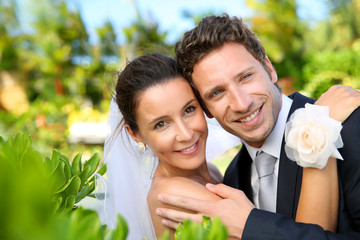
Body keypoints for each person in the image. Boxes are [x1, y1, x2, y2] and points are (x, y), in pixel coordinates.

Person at [98, 52, 359, 240]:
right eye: (161, 124)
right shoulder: (174, 194)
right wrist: (320, 127)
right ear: (135, 134)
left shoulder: (222, 172)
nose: (186, 133)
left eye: (189, 110)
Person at [155, 14, 360, 239]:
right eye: (217, 92)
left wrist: (252, 226)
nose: (242, 104)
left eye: (245, 77)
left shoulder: (348, 127)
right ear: (206, 109)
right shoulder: (233, 176)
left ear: (269, 68)